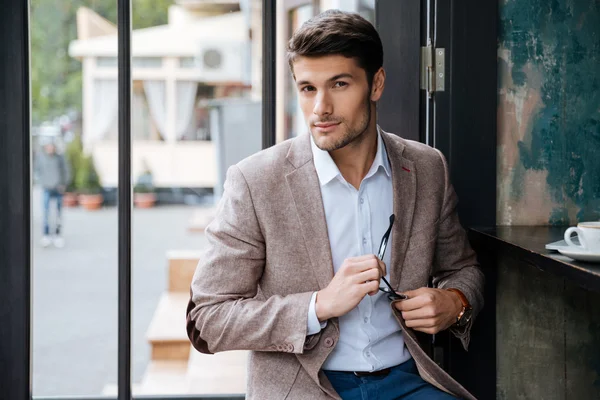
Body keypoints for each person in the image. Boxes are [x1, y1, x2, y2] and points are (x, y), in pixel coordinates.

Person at [187, 10, 484, 400]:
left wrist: (455, 302)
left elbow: (463, 268)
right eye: (308, 88)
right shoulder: (256, 181)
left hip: (408, 381)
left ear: (375, 83)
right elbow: (207, 321)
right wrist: (316, 306)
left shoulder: (427, 168)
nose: (320, 108)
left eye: (339, 84)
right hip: (306, 387)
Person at [37, 142, 71, 248]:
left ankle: (57, 235)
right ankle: (46, 235)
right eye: (48, 146)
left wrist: (64, 184)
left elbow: (66, 171)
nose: (50, 148)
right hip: (47, 188)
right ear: (46, 147)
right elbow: (37, 172)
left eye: (52, 146)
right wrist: (42, 182)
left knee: (58, 213)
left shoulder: (60, 158)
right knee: (46, 212)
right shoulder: (41, 158)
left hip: (58, 188)